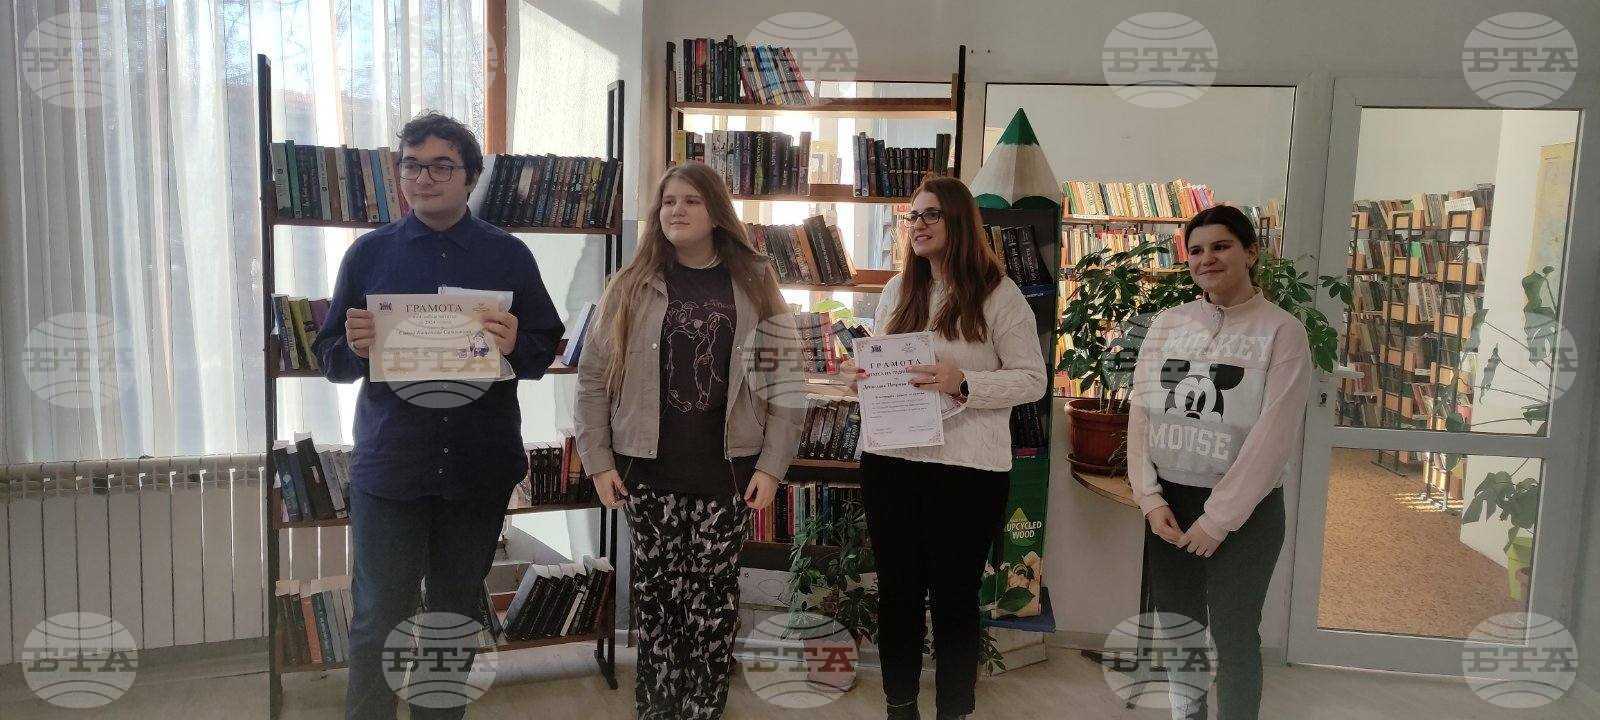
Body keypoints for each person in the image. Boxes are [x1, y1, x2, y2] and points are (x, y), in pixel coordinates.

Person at [312, 112, 565, 720]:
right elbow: (331, 360)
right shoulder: (370, 254)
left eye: (441, 166)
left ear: (470, 176)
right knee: (380, 615)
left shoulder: (508, 255)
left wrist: (515, 344)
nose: (423, 179)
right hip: (391, 468)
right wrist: (355, 347)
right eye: (412, 166)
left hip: (476, 467)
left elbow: (543, 348)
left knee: (454, 616)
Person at [573, 161, 802, 720]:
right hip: (646, 471)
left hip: (728, 473)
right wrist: (598, 462)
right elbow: (593, 380)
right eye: (668, 201)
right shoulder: (630, 285)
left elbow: (784, 384)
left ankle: (702, 708)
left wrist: (771, 467)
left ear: (716, 212)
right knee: (656, 601)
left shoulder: (755, 282)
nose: (676, 210)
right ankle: (657, 709)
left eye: (691, 201)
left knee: (711, 602)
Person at [843, 176, 1048, 720]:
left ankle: (953, 710)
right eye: (913, 216)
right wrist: (860, 378)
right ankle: (900, 708)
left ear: (958, 221)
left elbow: (1033, 380)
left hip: (967, 470)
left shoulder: (999, 294)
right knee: (898, 595)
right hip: (892, 463)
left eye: (931, 214)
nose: (919, 224)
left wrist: (966, 383)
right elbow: (885, 367)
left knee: (956, 600)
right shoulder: (896, 290)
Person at [1127, 204, 1311, 720]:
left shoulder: (1283, 332)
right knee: (1180, 633)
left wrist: (1218, 520)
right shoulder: (1167, 325)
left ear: (1250, 252)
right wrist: (1148, 497)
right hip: (1170, 506)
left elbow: (1273, 437)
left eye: (1221, 246)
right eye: (1197, 250)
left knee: (1234, 635)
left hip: (1246, 514)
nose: (1206, 258)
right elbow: (1141, 413)